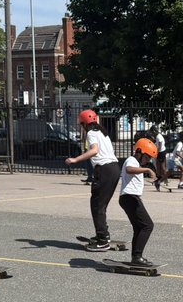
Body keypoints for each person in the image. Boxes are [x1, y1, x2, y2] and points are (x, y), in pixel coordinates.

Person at [65, 110, 120, 251]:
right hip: (114, 168)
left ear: (84, 123)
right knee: (101, 205)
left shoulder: (91, 133)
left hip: (104, 170)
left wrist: (75, 159)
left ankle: (102, 240)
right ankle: (103, 234)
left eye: (81, 124)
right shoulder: (103, 132)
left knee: (97, 205)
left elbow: (94, 150)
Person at [120, 138, 157, 266]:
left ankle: (136, 257)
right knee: (148, 226)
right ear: (139, 152)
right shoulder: (132, 160)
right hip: (130, 198)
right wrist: (147, 170)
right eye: (147, 157)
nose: (148, 161)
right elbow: (129, 169)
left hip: (130, 198)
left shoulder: (137, 163)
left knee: (139, 227)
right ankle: (137, 256)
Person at [150, 126, 167, 191]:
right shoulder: (159, 136)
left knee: (161, 167)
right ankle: (163, 179)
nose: (152, 133)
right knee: (160, 166)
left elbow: (159, 146)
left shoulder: (158, 136)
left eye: (152, 132)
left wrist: (156, 153)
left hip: (161, 152)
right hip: (162, 152)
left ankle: (161, 179)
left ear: (154, 131)